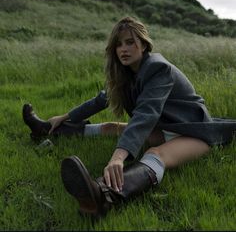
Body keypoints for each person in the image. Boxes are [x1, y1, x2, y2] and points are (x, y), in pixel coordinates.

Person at [23, 16, 235, 218]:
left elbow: (145, 114)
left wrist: (117, 157)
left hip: (195, 132)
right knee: (110, 126)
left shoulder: (157, 68)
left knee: (156, 154)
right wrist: (64, 116)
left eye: (130, 42)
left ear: (143, 45)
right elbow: (100, 101)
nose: (123, 49)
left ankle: (103, 195)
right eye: (119, 44)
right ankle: (48, 130)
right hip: (164, 127)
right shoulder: (127, 73)